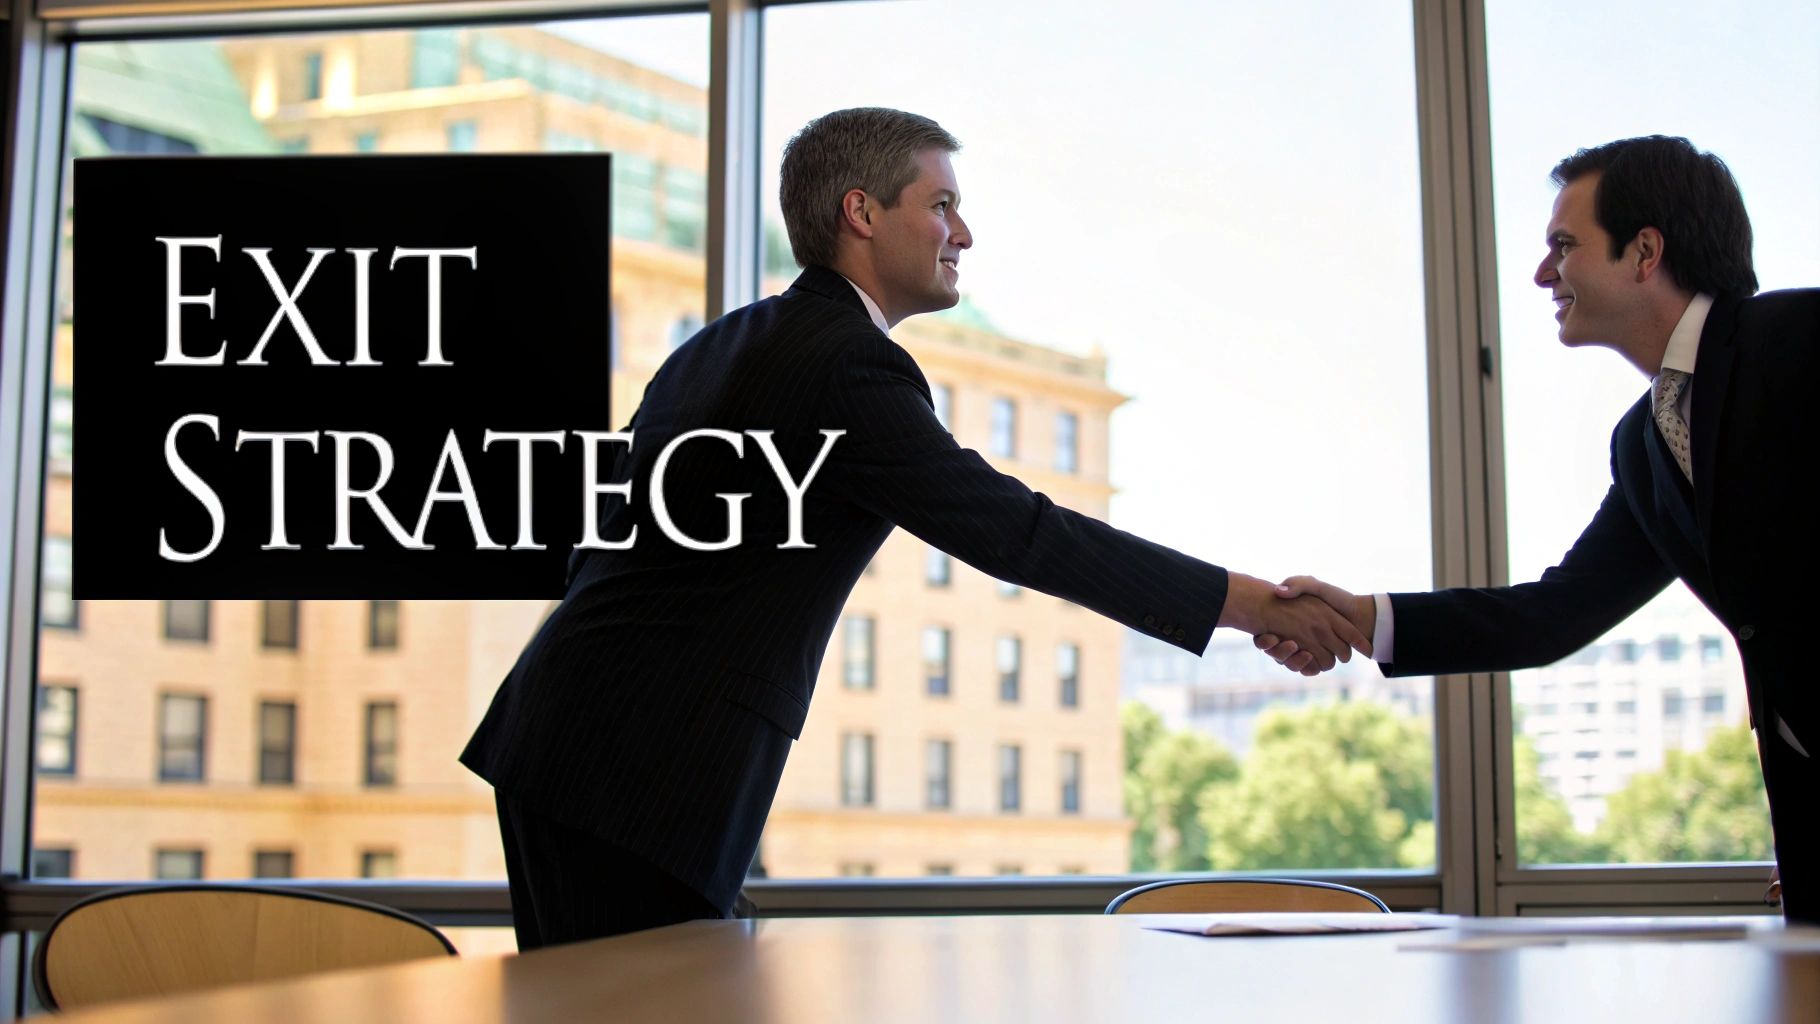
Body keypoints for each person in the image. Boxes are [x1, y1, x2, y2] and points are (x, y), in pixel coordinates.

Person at [461, 107, 1369, 949]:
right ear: (862, 212)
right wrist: (1253, 606)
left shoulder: (722, 341)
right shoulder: (850, 365)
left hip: (572, 740)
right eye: (942, 206)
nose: (963, 234)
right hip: (638, 768)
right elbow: (1021, 533)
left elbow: (599, 530)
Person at [1259, 135, 1819, 921]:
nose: (1542, 273)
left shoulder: (1802, 339)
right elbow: (1556, 614)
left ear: (1644, 251)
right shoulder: (1647, 442)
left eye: (1564, 245)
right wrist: (1362, 619)